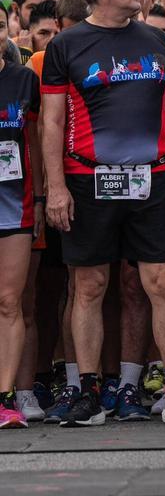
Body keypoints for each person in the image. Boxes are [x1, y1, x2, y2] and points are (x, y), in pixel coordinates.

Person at [41, 0, 165, 426]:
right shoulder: (67, 45)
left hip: (151, 179)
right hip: (86, 180)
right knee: (90, 285)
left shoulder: (157, 40)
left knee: (160, 282)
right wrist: (56, 188)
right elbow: (51, 123)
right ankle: (89, 390)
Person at [0, 53, 43, 428]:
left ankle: (6, 397)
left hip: (14, 205)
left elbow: (33, 142)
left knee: (9, 301)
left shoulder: (23, 79)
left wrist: (42, 198)